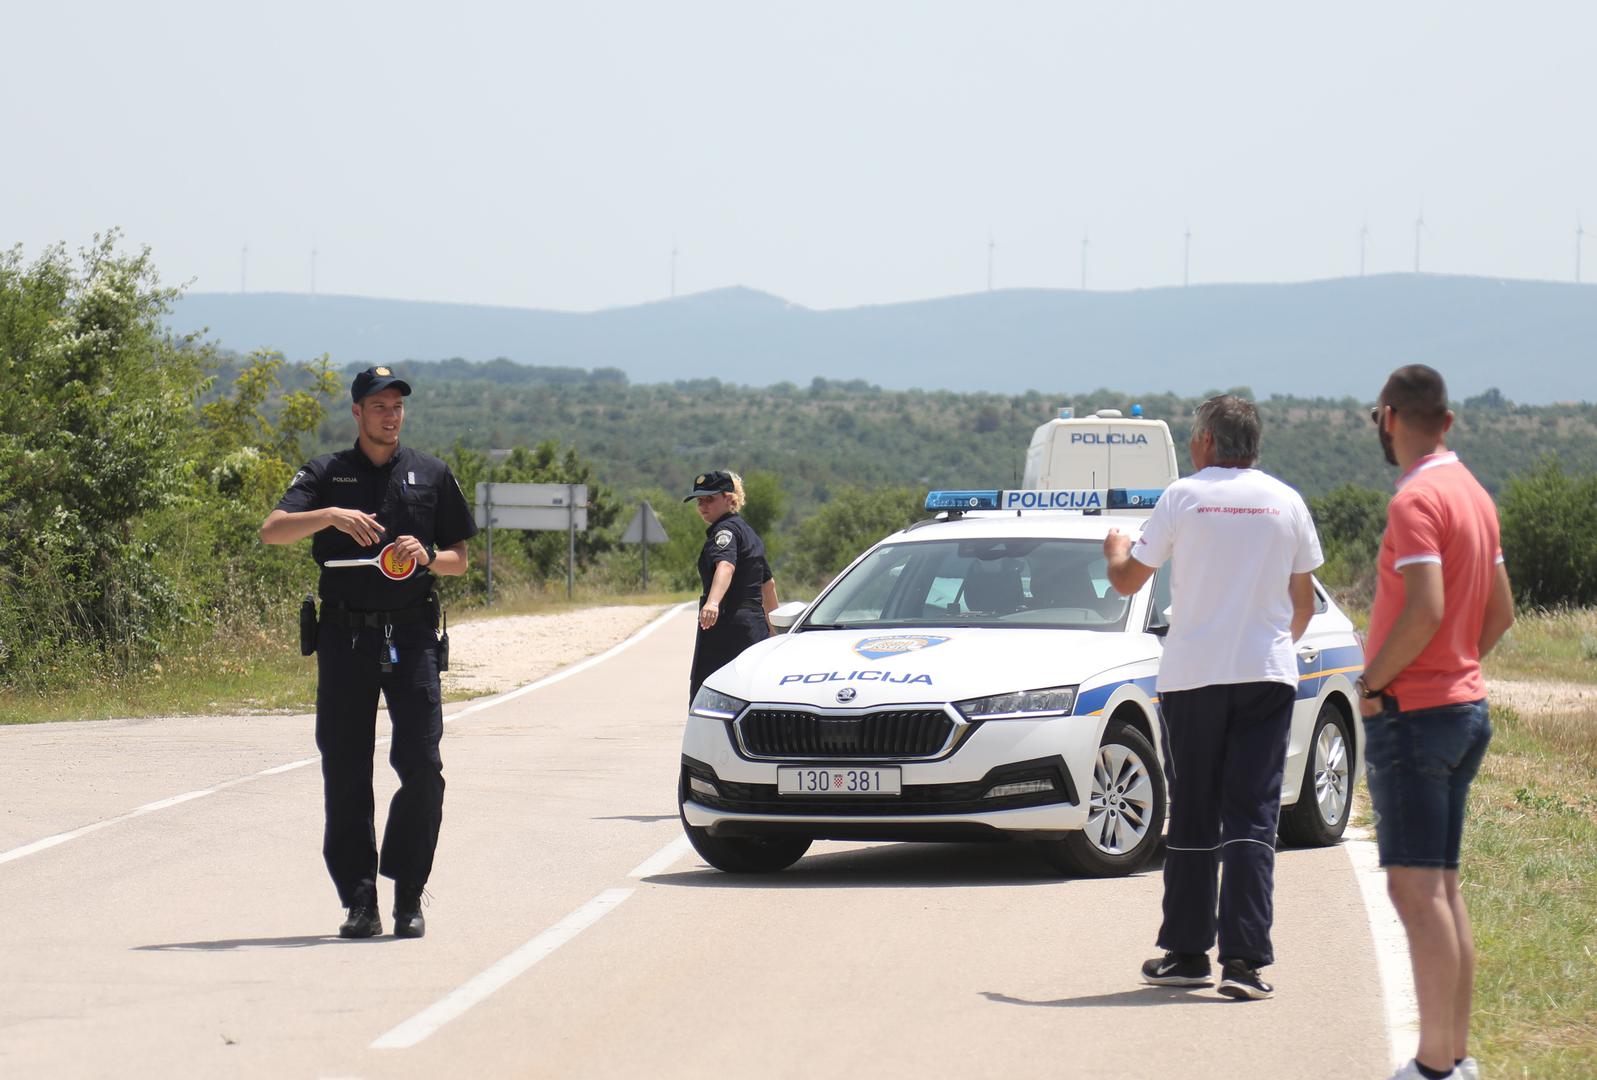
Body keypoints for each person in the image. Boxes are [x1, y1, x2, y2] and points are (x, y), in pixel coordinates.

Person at [1103, 394, 1321, 1001]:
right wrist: (1268, 646)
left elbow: (1127, 579)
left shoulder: (1182, 497)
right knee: (1252, 815)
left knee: (1195, 811)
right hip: (1266, 676)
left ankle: (1187, 952)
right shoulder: (1287, 501)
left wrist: (1116, 546)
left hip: (1194, 676)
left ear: (1203, 442)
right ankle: (1246, 963)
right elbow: (1302, 605)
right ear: (1253, 444)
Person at [260, 365, 478, 940]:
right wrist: (329, 516)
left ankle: (408, 894)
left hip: (411, 638)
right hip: (345, 637)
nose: (390, 414)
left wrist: (429, 556)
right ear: (356, 412)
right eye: (378, 405)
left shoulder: (430, 474)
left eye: (397, 405)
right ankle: (360, 901)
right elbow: (273, 530)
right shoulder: (327, 473)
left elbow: (460, 557)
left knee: (423, 767)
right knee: (346, 769)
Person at [1359, 366, 1512, 1080]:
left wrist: (1375, 682)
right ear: (1445, 421)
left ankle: (1431, 1068)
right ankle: (1453, 1055)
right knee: (1442, 888)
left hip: (1415, 716)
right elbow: (1499, 612)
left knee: (1415, 891)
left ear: (1388, 418)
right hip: (1460, 706)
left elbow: (1422, 607)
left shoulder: (1415, 499)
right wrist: (1455, 666)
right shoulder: (1474, 495)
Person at [685, 470, 777, 703]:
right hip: (753, 626)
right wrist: (775, 628)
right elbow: (768, 585)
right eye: (700, 501)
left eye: (710, 499)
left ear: (729, 499)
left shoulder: (724, 532)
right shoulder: (748, 533)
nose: (703, 506)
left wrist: (713, 602)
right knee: (754, 692)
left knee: (711, 695)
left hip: (727, 624)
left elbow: (725, 566)